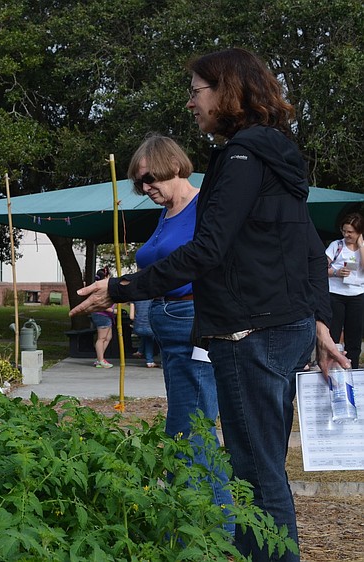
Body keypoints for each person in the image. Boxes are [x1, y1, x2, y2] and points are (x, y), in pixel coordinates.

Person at [70, 48, 347, 562]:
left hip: (249, 333)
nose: (191, 104)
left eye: (196, 91)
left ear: (226, 92)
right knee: (263, 469)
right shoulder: (276, 155)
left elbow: (208, 248)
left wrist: (122, 287)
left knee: (255, 476)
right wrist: (320, 323)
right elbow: (308, 248)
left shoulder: (241, 157)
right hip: (282, 328)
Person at [129, 134, 232, 527]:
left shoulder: (204, 203)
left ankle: (225, 526)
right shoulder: (167, 210)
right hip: (168, 328)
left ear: (174, 166)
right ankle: (186, 515)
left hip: (194, 325)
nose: (145, 188)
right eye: (140, 183)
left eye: (150, 178)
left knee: (194, 429)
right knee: (185, 424)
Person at [326, 212, 364, 368]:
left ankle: (353, 367)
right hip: (335, 294)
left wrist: (360, 245)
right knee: (333, 334)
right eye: (344, 231)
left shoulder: (362, 247)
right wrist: (336, 272)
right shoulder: (336, 246)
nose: (347, 235)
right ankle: (331, 366)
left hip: (357, 295)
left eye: (351, 232)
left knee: (354, 336)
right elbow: (321, 268)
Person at [90, 268, 114, 368]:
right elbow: (98, 302)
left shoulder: (104, 286)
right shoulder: (100, 287)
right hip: (102, 315)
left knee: (108, 337)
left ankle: (100, 358)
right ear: (107, 276)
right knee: (101, 338)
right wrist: (111, 310)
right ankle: (100, 360)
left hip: (106, 316)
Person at [129, 299, 156, 368]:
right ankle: (150, 361)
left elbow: (131, 317)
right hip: (151, 327)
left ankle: (140, 352)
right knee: (150, 338)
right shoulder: (153, 298)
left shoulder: (134, 299)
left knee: (146, 336)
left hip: (138, 327)